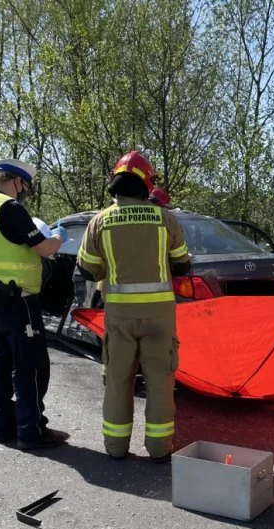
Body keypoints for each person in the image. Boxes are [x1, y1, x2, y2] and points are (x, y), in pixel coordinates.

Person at [77, 151, 190, 463]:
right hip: (159, 316)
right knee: (160, 381)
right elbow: (182, 265)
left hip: (119, 316)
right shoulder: (165, 219)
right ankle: (159, 448)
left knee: (118, 380)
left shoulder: (100, 221)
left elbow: (87, 270)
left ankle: (115, 447)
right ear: (147, 182)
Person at [0, 159, 68, 451]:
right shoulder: (8, 208)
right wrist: (58, 237)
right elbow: (44, 248)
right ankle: (31, 432)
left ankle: (3, 427)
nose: (23, 194)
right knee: (30, 367)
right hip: (19, 300)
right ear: (17, 181)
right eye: (25, 188)